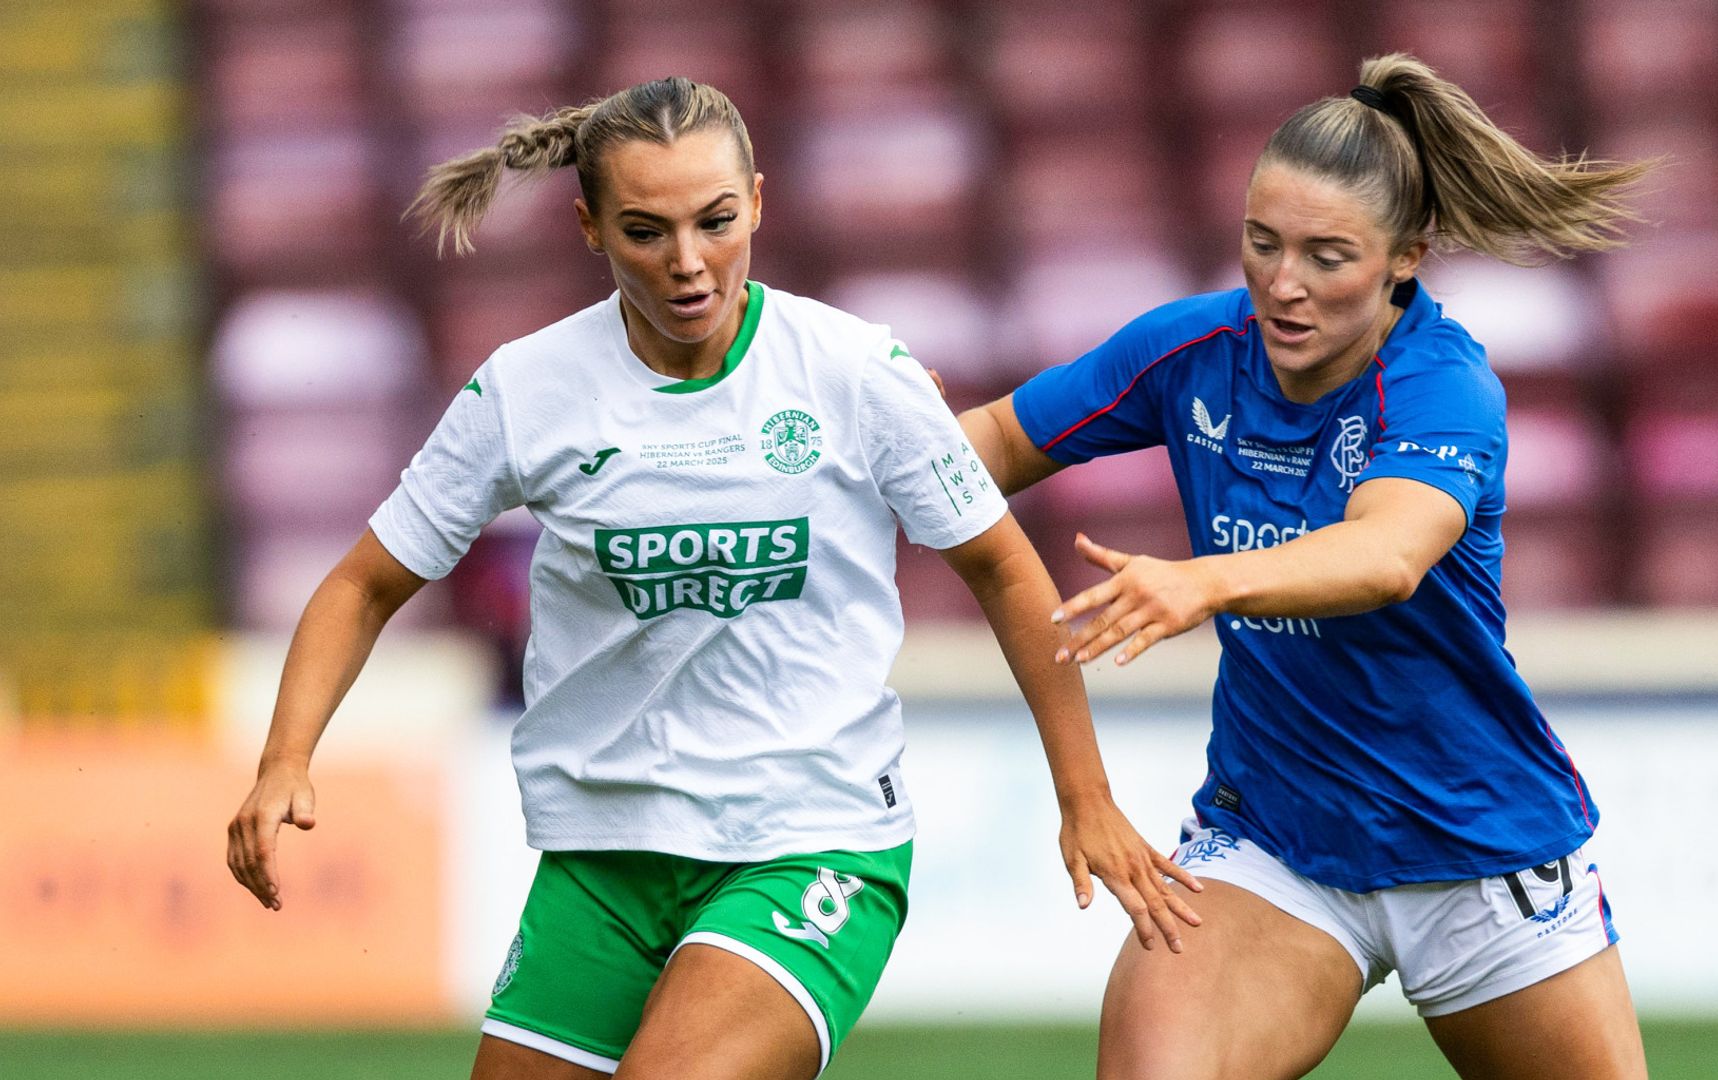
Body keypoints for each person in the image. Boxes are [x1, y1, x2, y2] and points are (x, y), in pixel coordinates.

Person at [223, 76, 1200, 1080]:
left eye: (716, 222)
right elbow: (364, 583)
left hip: (814, 837)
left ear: (758, 203)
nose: (689, 263)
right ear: (589, 227)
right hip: (605, 856)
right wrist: (285, 758)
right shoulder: (527, 390)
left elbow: (1000, 566)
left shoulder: (852, 371)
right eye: (646, 231)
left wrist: (1084, 795)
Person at [957, 54, 1657, 1079]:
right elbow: (988, 446)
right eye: (1262, 245)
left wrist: (1204, 581)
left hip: (1477, 843)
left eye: (1328, 256)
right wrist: (866, 425)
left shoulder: (1440, 384)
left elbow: (1389, 554)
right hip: (1276, 842)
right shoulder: (1191, 351)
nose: (1284, 286)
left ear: (1406, 257)